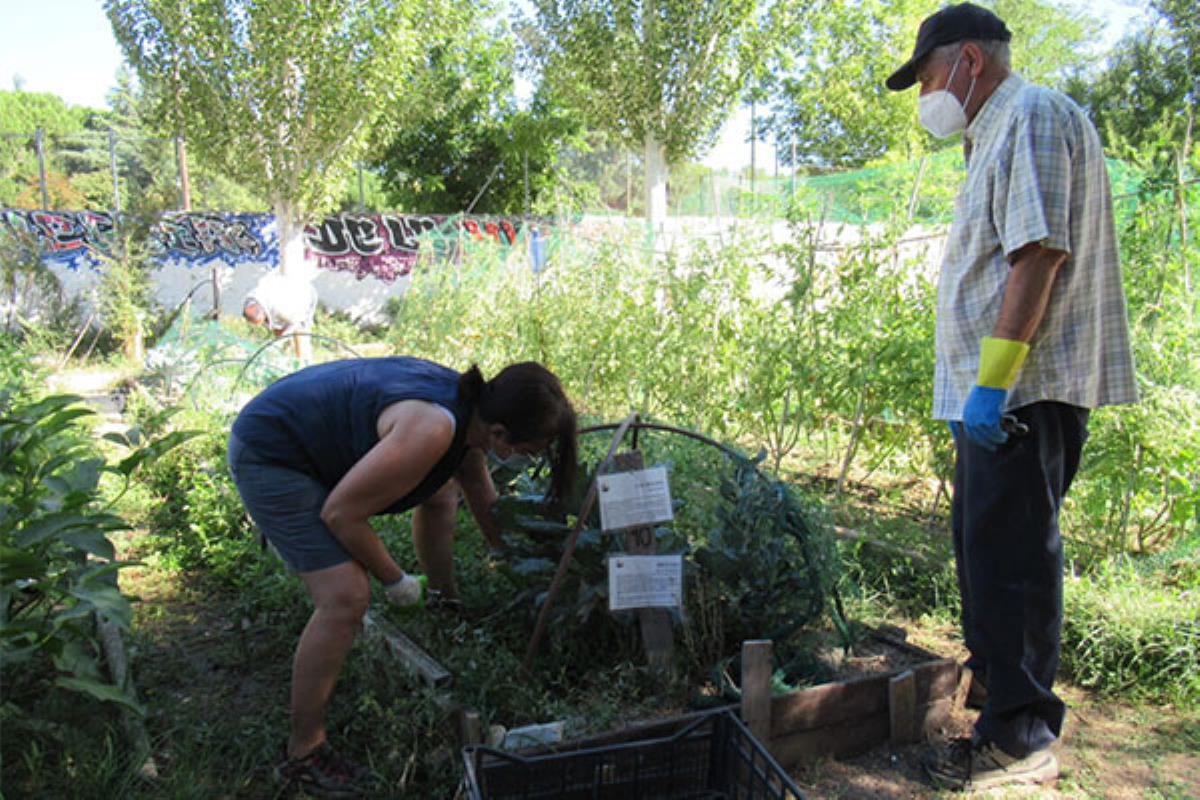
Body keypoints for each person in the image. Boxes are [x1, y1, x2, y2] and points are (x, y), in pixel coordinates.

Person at [885, 3, 1136, 792]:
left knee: (1017, 561)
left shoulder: (1028, 116)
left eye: (925, 75)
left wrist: (993, 384)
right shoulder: (991, 132)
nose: (925, 92)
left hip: (1020, 391)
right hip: (992, 394)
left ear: (966, 62)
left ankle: (1022, 741)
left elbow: (1037, 256)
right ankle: (998, 701)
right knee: (987, 552)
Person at [227, 357, 577, 797]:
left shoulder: (471, 415)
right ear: (500, 434)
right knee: (347, 596)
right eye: (527, 451)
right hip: (272, 453)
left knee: (441, 491)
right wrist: (395, 580)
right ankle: (303, 753)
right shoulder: (431, 430)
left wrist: (526, 568)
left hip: (299, 437)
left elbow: (486, 503)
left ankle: (444, 599)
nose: (526, 459)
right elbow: (341, 513)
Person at [243, 269, 319, 360]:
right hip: (282, 288)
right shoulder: (251, 301)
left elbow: (296, 323)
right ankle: (287, 351)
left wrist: (279, 341)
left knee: (301, 334)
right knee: (278, 332)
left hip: (304, 297)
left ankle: (304, 361)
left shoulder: (281, 309)